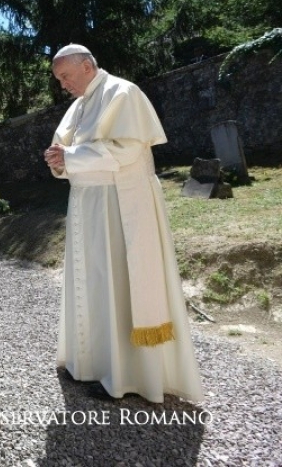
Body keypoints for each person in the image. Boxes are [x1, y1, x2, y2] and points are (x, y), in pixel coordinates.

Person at [43, 43, 203, 404]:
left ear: (86, 66)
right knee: (94, 285)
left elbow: (127, 149)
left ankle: (128, 375)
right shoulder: (78, 106)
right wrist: (59, 159)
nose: (63, 85)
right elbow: (66, 151)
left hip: (118, 204)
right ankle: (91, 364)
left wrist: (70, 156)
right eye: (59, 79)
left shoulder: (123, 93)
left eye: (65, 76)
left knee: (118, 283)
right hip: (86, 205)